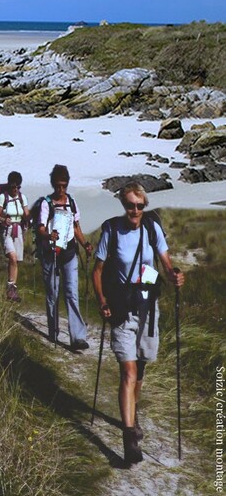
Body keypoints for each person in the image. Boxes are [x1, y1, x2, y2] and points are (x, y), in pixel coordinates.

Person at [92, 182, 184, 465]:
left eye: (139, 205)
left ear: (145, 205)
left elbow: (165, 263)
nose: (135, 210)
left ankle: (132, 414)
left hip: (147, 308)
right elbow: (97, 271)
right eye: (130, 205)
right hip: (121, 310)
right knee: (128, 372)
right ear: (123, 204)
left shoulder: (152, 228)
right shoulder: (111, 230)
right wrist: (103, 301)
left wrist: (174, 275)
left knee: (140, 370)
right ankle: (129, 437)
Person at [34, 165, 94, 348]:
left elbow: (76, 227)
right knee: (52, 294)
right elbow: (41, 228)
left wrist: (85, 244)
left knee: (72, 294)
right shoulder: (46, 203)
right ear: (53, 184)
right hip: (50, 253)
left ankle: (77, 337)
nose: (61, 189)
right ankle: (53, 333)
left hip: (69, 253)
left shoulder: (72, 202)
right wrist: (47, 235)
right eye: (58, 185)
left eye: (64, 185)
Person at [0, 171, 29, 302]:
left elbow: (25, 213)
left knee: (15, 261)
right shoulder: (3, 197)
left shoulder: (22, 198)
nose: (16, 189)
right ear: (9, 185)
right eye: (14, 187)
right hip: (6, 230)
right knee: (13, 257)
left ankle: (12, 290)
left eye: (18, 187)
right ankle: (10, 288)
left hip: (18, 230)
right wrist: (3, 219)